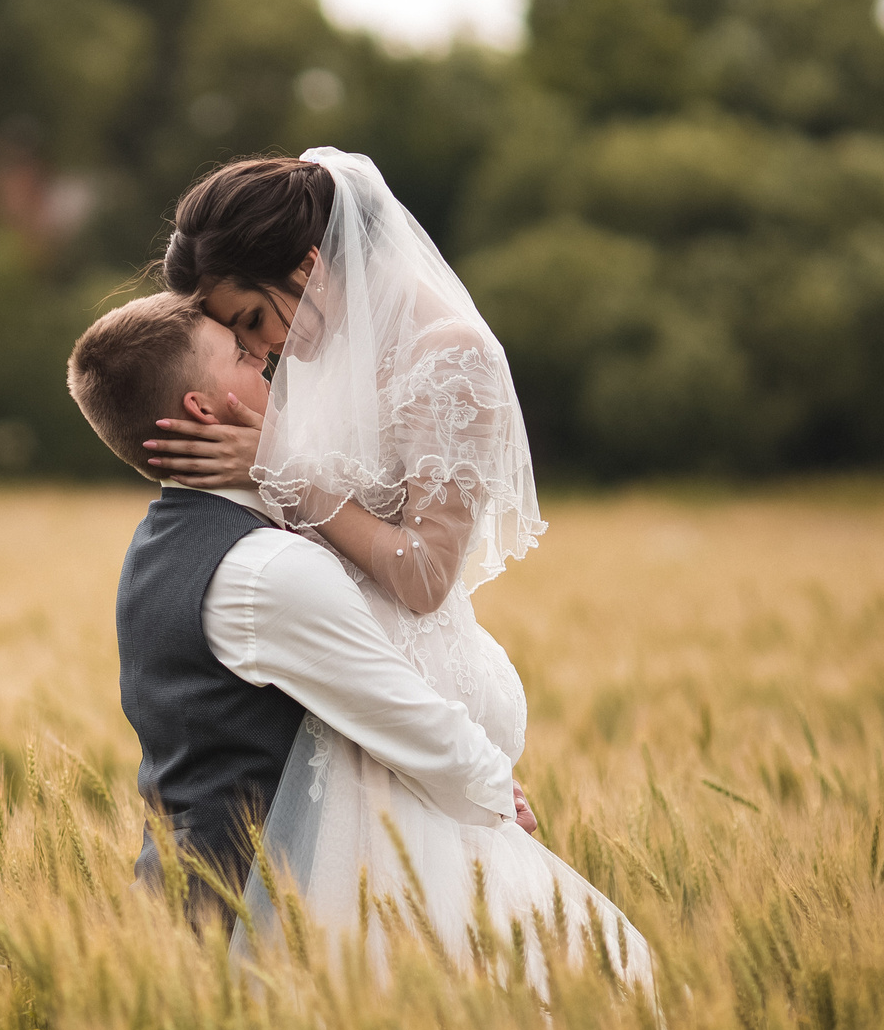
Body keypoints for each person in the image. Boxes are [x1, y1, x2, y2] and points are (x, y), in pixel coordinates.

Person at [145, 149, 661, 1002]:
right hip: (342, 683)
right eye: (240, 338)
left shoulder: (449, 355)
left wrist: (281, 466)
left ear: (308, 265)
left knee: (447, 969)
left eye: (253, 320)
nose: (258, 350)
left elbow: (424, 573)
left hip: (416, 677)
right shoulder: (315, 349)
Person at [64, 292, 535, 934]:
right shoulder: (268, 569)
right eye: (241, 352)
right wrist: (499, 793)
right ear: (202, 408)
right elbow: (403, 715)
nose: (266, 358)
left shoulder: (159, 542)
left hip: (185, 906)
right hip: (257, 922)